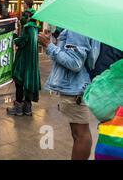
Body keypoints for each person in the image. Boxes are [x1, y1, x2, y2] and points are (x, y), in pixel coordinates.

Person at [38, 29, 99, 160]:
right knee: (79, 133)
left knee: (80, 134)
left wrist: (48, 45)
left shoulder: (77, 28)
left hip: (75, 88)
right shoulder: (86, 25)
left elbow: (74, 63)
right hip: (78, 86)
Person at [7, 7, 40, 116]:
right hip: (32, 61)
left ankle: (18, 109)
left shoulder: (27, 28)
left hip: (24, 60)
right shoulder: (35, 28)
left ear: (29, 17)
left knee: (19, 83)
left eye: (24, 16)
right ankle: (27, 108)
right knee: (28, 83)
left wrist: (15, 36)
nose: (23, 18)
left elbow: (22, 42)